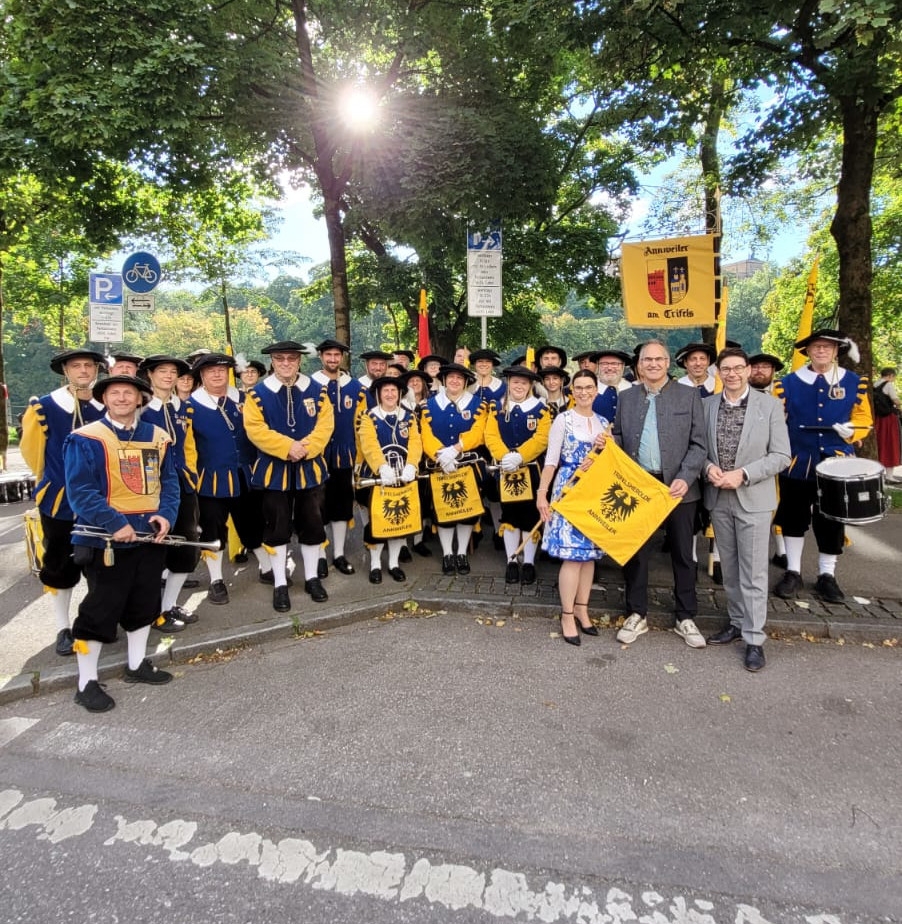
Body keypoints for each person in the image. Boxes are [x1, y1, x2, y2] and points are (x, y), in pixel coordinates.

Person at [64, 375, 180, 712]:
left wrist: (166, 515)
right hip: (106, 542)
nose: (121, 398)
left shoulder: (158, 437)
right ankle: (85, 682)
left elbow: (169, 482)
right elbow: (80, 492)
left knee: (144, 604)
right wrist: (115, 523)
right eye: (114, 393)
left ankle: (136, 665)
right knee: (100, 610)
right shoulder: (85, 438)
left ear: (140, 399)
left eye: (128, 393)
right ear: (104, 399)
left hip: (149, 538)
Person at [612, 339, 708, 649]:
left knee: (682, 553)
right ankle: (636, 612)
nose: (652, 364)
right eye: (646, 360)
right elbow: (617, 436)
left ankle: (685, 616)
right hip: (638, 487)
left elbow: (699, 444)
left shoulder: (690, 395)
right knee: (636, 554)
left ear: (668, 363)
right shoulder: (625, 398)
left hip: (678, 488)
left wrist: (685, 476)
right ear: (638, 365)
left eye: (658, 359)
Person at [701, 349, 791, 672]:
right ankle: (737, 622)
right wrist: (708, 467)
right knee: (730, 568)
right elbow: (698, 448)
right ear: (719, 372)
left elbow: (782, 455)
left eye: (739, 368)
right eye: (726, 369)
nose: (733, 374)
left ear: (749, 370)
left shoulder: (770, 406)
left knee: (754, 572)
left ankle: (754, 639)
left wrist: (744, 474)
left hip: (753, 497)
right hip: (718, 498)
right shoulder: (707, 405)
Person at [772, 329, 873, 602]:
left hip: (837, 462)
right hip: (797, 460)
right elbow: (776, 421)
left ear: (836, 351)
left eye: (827, 347)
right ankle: (792, 571)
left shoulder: (853, 382)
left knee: (831, 519)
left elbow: (864, 419)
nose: (821, 352)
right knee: (793, 517)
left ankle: (827, 575)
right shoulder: (788, 383)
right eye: (816, 347)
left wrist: (851, 431)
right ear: (808, 351)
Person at [20, 347, 106, 656]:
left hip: (102, 502)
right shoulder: (44, 407)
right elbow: (33, 453)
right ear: (66, 371)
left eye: (88, 365)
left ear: (96, 370)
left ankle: (96, 621)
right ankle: (62, 626)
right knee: (60, 564)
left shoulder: (106, 405)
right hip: (60, 501)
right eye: (76, 366)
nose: (83, 371)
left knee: (101, 563)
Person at [243, 340, 335, 611]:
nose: (286, 363)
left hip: (309, 468)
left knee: (313, 525)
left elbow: (325, 425)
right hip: (274, 471)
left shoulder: (317, 391)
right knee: (276, 528)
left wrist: (304, 448)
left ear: (299, 361)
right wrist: (287, 448)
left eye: (291, 358)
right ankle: (281, 583)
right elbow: (255, 429)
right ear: (272, 361)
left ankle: (311, 579)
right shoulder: (257, 394)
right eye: (280, 358)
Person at [187, 352, 267, 605]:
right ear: (201, 375)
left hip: (245, 475)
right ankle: (216, 580)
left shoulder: (244, 399)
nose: (217, 374)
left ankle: (266, 568)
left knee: (252, 524)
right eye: (210, 371)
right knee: (212, 531)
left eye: (222, 370)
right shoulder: (191, 406)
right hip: (209, 479)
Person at [536, 370, 608, 645]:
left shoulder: (603, 423)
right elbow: (551, 461)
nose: (584, 392)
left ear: (596, 391)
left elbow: (609, 462)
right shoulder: (563, 420)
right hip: (568, 490)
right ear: (571, 391)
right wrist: (542, 494)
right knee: (571, 556)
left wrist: (605, 452)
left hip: (593, 493)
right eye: (578, 387)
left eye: (589, 387)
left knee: (589, 556)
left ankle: (582, 608)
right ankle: (567, 614)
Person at [138, 354, 201, 632]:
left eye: (172, 372)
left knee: (185, 546)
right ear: (150, 375)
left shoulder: (182, 407)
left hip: (182, 485)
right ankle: (151, 612)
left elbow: (188, 445)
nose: (168, 376)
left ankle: (169, 605)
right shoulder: (140, 408)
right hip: (151, 489)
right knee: (153, 551)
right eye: (161, 371)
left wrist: (192, 473)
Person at [484, 366, 551, 585]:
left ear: (530, 385)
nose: (519, 386)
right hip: (506, 471)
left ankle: (529, 561)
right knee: (510, 516)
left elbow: (542, 438)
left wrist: (520, 456)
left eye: (523, 383)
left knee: (530, 516)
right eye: (515, 382)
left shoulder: (541, 409)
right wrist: (505, 457)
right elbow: (490, 435)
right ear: (509, 384)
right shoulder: (496, 408)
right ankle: (512, 560)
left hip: (531, 472)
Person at [420, 362, 488, 575]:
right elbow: (425, 433)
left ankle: (461, 553)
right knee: (443, 511)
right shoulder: (428, 405)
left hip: (467, 464)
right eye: (451, 378)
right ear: (444, 380)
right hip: (440, 465)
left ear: (466, 381)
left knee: (466, 512)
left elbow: (479, 432)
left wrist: (456, 449)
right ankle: (448, 553)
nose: (455, 381)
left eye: (459, 378)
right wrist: (441, 454)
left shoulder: (479, 405)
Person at [355, 376, 423, 583]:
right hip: (376, 477)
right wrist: (381, 467)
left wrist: (412, 464)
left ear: (400, 394)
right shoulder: (368, 416)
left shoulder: (409, 417)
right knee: (376, 522)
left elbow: (415, 442)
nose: (390, 394)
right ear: (378, 394)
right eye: (386, 391)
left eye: (394, 391)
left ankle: (394, 563)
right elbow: (368, 444)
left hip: (403, 476)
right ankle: (375, 563)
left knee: (399, 521)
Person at [311, 339, 366, 576]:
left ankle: (339, 554)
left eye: (337, 355)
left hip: (345, 455)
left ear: (342, 358)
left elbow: (364, 423)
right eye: (328, 355)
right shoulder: (310, 385)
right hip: (317, 456)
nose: (333, 359)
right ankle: (320, 554)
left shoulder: (355, 387)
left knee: (342, 507)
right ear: (321, 357)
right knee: (317, 507)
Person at [592, 349, 633, 422]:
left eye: (615, 364)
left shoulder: (635, 391)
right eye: (604, 364)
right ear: (598, 366)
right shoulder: (587, 391)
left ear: (623, 366)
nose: (609, 368)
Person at [873, 368, 901, 477]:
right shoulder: (888, 385)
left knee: (880, 442)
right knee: (891, 443)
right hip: (888, 418)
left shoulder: (874, 385)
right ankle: (889, 475)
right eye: (893, 377)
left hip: (877, 418)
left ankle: (878, 473)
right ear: (890, 375)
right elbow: (895, 400)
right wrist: (899, 405)